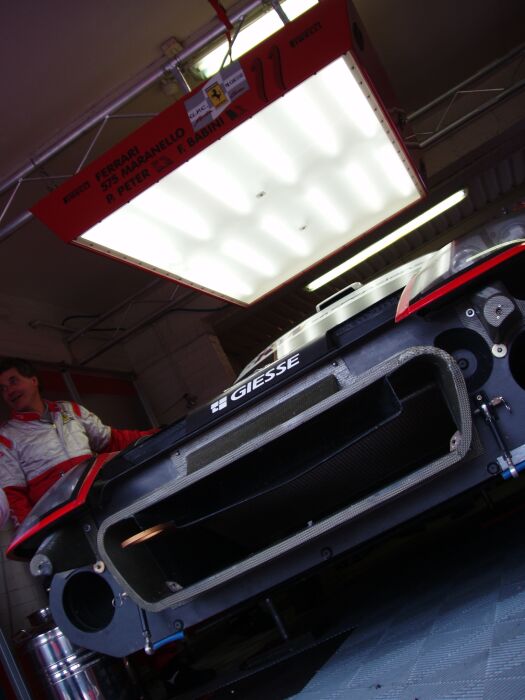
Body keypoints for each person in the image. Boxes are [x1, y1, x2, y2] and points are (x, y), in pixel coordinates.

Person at [0, 357, 157, 526]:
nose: (9, 391)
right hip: (62, 522)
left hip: (102, 500)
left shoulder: (70, 410)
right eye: (3, 388)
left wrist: (155, 435)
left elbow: (112, 440)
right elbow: (13, 496)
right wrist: (31, 538)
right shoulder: (6, 437)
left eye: (13, 381)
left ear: (33, 380)